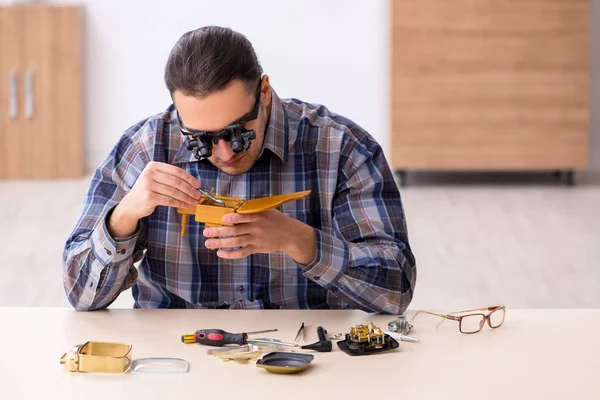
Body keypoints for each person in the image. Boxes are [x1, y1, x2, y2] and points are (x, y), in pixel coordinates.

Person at [63, 26, 416, 313]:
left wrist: (300, 241)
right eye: (200, 139)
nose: (225, 153)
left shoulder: (341, 147)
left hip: (305, 354)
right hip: (178, 358)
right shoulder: (145, 147)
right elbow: (81, 296)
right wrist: (123, 218)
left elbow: (396, 290)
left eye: (237, 132)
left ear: (263, 91)